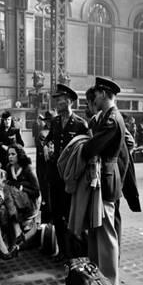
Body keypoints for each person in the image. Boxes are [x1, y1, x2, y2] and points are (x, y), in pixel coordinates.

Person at [81, 77, 126, 285]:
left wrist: (82, 146)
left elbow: (90, 149)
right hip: (106, 177)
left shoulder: (111, 119)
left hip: (107, 179)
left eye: (97, 93)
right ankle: (101, 278)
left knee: (107, 232)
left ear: (104, 93)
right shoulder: (108, 116)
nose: (94, 97)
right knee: (100, 229)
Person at [43, 83, 88, 263]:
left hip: (71, 179)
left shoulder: (80, 124)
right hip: (55, 176)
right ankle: (62, 251)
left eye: (60, 99)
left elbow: (85, 151)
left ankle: (74, 254)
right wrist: (45, 147)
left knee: (71, 215)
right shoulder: (54, 122)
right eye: (56, 99)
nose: (57, 103)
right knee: (57, 215)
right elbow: (47, 139)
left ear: (69, 101)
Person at [3, 144, 40, 248]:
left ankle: (16, 228)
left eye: (13, 154)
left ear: (19, 155)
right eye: (9, 154)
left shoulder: (27, 169)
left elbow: (36, 191)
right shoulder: (8, 168)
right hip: (14, 204)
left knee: (8, 189)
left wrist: (21, 188)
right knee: (7, 188)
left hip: (28, 203)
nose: (10, 156)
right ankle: (16, 230)